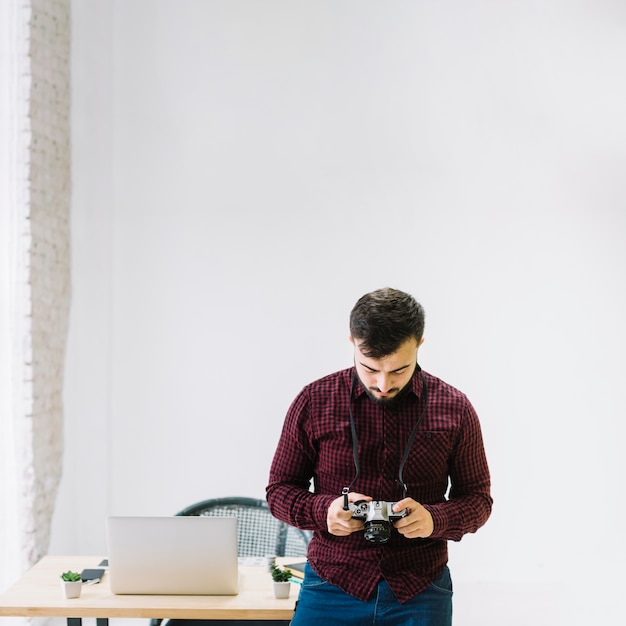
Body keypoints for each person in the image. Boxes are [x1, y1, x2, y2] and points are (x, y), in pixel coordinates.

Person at [266, 287, 492, 626]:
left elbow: (478, 500)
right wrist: (324, 511)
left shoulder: (455, 408)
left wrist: (434, 519)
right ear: (352, 342)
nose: (383, 383)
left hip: (420, 590)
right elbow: (279, 490)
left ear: (419, 345)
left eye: (399, 370)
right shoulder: (314, 401)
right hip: (330, 585)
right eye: (370, 368)